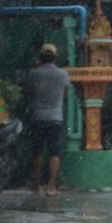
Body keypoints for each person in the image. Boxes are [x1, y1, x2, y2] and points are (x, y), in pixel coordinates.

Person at [24, 44, 70, 196]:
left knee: (37, 151)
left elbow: (30, 92)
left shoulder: (33, 73)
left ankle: (36, 184)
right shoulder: (63, 75)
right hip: (55, 118)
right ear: (55, 57)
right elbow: (65, 94)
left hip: (38, 116)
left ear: (41, 57)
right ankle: (51, 186)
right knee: (54, 152)